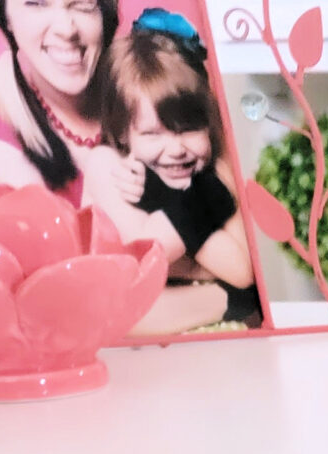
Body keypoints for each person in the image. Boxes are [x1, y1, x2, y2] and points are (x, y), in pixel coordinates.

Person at [84, 10, 262, 331]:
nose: (176, 149)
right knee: (111, 311)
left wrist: (158, 195)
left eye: (188, 129)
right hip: (135, 328)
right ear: (124, 132)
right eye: (153, 134)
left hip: (203, 334)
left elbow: (241, 271)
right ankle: (224, 301)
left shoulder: (216, 172)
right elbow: (140, 265)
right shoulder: (107, 164)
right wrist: (203, 266)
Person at [0, 0, 118, 202]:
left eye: (83, 3)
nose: (66, 29)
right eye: (37, 3)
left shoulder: (142, 84)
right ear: (6, 18)